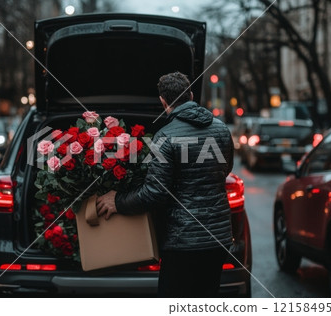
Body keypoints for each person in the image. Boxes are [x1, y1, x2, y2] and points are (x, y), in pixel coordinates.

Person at [96, 71, 234, 297]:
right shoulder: (221, 129)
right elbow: (225, 170)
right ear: (190, 94)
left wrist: (118, 202)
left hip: (182, 243)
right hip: (218, 238)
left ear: (163, 101)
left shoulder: (165, 136)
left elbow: (155, 193)